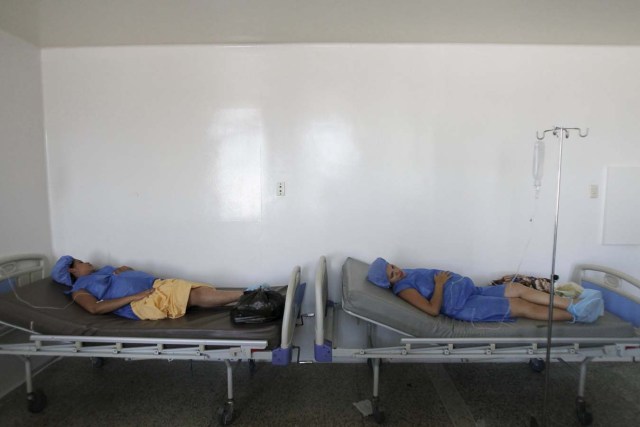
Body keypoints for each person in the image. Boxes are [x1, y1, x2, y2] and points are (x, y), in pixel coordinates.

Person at [366, 257, 604, 323]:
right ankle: (579, 315)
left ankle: (574, 304)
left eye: (393, 266)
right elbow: (432, 310)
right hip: (462, 306)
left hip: (470, 291)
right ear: (389, 283)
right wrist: (439, 284)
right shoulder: (403, 289)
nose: (397, 271)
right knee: (521, 305)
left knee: (516, 287)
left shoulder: (405, 274)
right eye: (392, 274)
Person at [51, 255, 245, 320]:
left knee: (199, 292)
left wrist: (127, 270)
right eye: (81, 262)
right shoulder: (78, 290)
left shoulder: (99, 273)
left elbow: (124, 279)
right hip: (143, 301)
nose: (87, 262)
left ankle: (247, 297)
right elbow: (95, 308)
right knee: (196, 295)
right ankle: (249, 295)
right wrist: (135, 296)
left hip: (154, 286)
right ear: (72, 270)